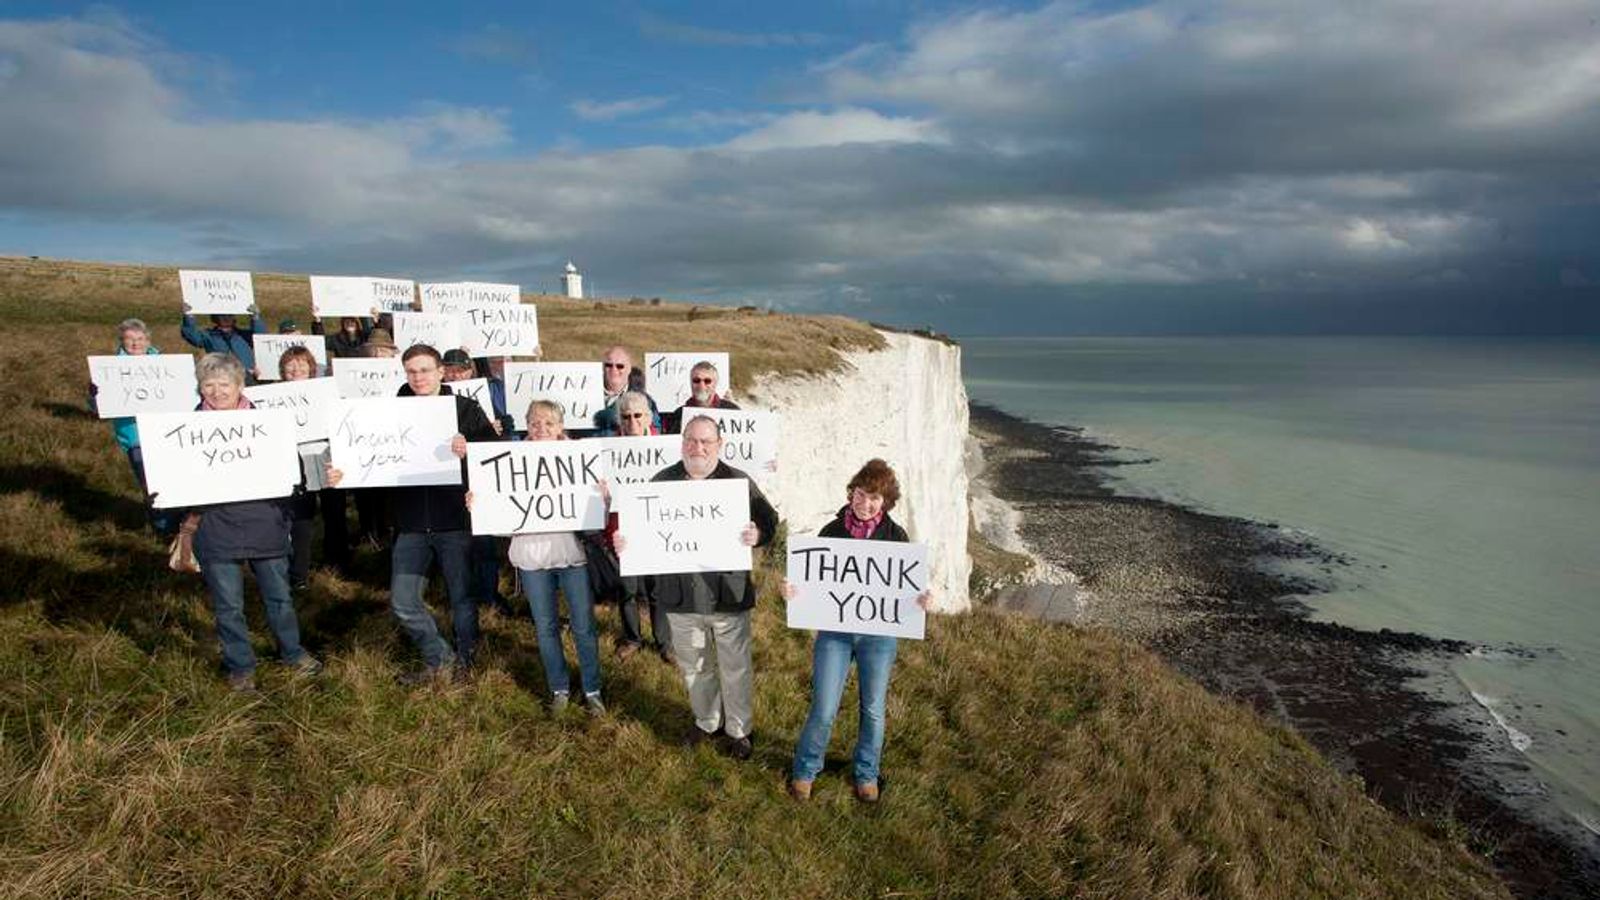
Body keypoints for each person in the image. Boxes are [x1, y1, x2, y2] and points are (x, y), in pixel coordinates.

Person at [327, 344, 499, 683]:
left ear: (440, 372)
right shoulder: (388, 412)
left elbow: (495, 454)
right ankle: (440, 658)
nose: (418, 377)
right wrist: (343, 472)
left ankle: (467, 661)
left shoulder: (465, 408)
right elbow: (367, 459)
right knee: (403, 601)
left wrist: (471, 450)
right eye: (412, 371)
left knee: (461, 598)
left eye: (425, 370)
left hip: (454, 521)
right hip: (410, 524)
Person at [628, 415, 777, 758]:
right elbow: (642, 534)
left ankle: (739, 730)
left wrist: (759, 534)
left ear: (719, 445)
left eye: (706, 442)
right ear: (682, 443)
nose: (698, 448)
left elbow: (769, 518)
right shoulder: (660, 482)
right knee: (695, 664)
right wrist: (628, 544)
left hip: (728, 593)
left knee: (735, 665)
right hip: (679, 595)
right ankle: (706, 721)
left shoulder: (739, 482)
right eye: (691, 441)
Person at [786, 460, 930, 803]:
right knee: (823, 707)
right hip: (834, 634)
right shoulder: (831, 531)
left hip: (877, 637)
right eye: (861, 494)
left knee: (874, 709)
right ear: (852, 492)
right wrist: (794, 592)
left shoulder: (897, 537)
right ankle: (805, 770)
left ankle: (866, 773)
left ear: (886, 502)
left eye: (875, 498)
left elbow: (905, 587)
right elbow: (813, 584)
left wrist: (919, 600)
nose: (866, 503)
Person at [185, 353, 320, 692]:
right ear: (200, 388)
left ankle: (292, 652)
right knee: (228, 604)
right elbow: (176, 479)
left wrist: (285, 511)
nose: (217, 392)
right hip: (216, 525)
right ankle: (241, 666)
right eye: (208, 385)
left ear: (240, 386)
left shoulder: (269, 424)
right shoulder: (185, 429)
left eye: (224, 384)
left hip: (265, 522)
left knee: (279, 597)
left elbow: (294, 471)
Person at [504, 400, 605, 713]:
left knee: (583, 625)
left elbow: (597, 513)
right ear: (526, 425)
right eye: (535, 422)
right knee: (545, 626)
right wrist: (480, 504)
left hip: (572, 555)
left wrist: (602, 496)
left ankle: (592, 689)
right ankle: (559, 688)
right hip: (532, 559)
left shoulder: (581, 458)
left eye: (549, 423)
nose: (542, 429)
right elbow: (500, 518)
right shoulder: (508, 462)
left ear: (561, 427)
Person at [89, 318, 176, 535]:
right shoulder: (109, 370)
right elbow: (98, 409)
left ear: (148, 340)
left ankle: (184, 529)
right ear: (122, 341)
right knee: (152, 486)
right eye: (129, 339)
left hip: (168, 434)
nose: (135, 344)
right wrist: (94, 396)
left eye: (140, 339)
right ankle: (164, 530)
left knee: (175, 481)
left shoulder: (166, 364)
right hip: (135, 438)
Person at [602, 391, 671, 662]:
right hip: (625, 532)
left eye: (637, 415)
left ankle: (665, 643)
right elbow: (604, 499)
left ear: (649, 417)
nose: (632, 421)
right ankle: (632, 638)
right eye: (626, 416)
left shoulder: (665, 449)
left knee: (657, 591)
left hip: (657, 529)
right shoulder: (610, 451)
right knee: (628, 590)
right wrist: (604, 495)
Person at [278, 346, 347, 585]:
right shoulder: (273, 397)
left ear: (311, 367)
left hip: (328, 458)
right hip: (295, 463)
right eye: (290, 365)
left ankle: (338, 563)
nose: (296, 369)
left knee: (335, 515)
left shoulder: (326, 391)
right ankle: (299, 573)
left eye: (301, 364)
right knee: (301, 521)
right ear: (282, 370)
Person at [181, 304, 266, 382]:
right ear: (215, 318)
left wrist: (255, 318)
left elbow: (261, 337)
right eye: (222, 316)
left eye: (229, 315)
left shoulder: (244, 335)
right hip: (223, 378)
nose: (226, 318)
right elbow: (191, 335)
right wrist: (189, 316)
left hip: (250, 377)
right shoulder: (208, 336)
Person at [592, 346, 661, 435]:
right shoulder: (586, 395)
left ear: (629, 369)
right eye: (609, 365)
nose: (614, 369)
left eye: (620, 366)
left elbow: (656, 429)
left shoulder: (644, 399)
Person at [665, 360, 738, 433]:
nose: (701, 386)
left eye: (707, 381)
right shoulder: (678, 415)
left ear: (715, 383)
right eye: (696, 380)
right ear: (691, 383)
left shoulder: (732, 411)